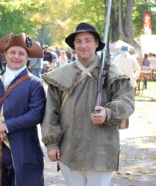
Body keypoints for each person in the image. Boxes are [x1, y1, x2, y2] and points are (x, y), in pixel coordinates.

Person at [41, 22, 135, 186]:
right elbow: (51, 112)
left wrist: (108, 113)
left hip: (101, 151)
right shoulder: (61, 75)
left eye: (88, 40)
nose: (83, 45)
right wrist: (52, 144)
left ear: (96, 43)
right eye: (79, 41)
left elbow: (127, 101)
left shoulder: (113, 73)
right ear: (74, 45)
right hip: (69, 150)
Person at [0, 33, 46, 186]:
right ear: (4, 54)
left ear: (27, 57)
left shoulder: (34, 84)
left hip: (24, 150)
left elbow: (36, 114)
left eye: (21, 53)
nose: (16, 56)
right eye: (12, 52)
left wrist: (6, 126)